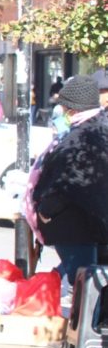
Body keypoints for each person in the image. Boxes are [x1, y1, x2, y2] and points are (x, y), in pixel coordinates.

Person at [29, 74, 108, 288]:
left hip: (77, 226)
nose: (61, 113)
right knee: (93, 285)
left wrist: (45, 212)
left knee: (87, 286)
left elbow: (68, 182)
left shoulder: (81, 137)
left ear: (72, 110)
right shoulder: (99, 127)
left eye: (64, 108)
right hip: (95, 223)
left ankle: (87, 321)